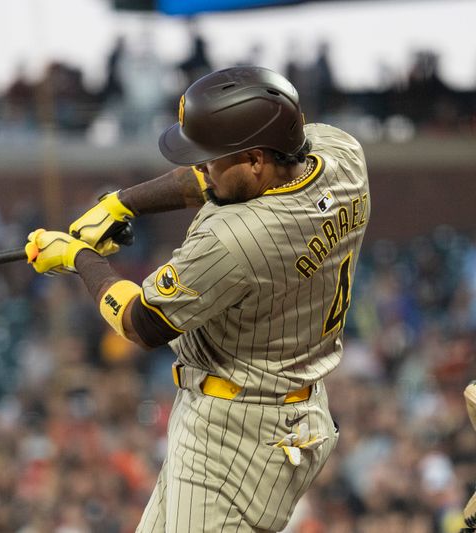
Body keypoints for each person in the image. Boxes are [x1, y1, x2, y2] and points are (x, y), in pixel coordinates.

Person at [25, 66, 371, 532]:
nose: (202, 165)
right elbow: (219, 179)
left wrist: (78, 258)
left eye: (212, 156)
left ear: (254, 159)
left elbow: (141, 322)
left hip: (240, 433)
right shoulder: (342, 156)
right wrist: (123, 203)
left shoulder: (238, 239)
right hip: (278, 407)